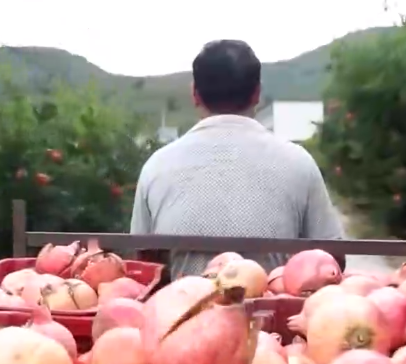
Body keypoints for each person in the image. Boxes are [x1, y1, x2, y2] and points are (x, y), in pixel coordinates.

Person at [129, 39, 346, 278]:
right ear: (257, 93)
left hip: (183, 301)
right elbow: (332, 260)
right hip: (275, 302)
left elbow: (144, 265)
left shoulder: (157, 167)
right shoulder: (299, 163)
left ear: (195, 94)